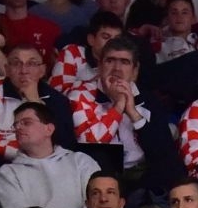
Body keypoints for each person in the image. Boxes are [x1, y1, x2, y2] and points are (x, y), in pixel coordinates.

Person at [0, 42, 80, 208]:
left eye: (32, 63)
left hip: (42, 168)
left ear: (42, 70)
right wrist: (27, 153)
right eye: (16, 63)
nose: (24, 70)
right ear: (7, 68)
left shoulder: (57, 100)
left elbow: (64, 146)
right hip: (2, 163)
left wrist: (35, 102)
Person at [69, 34, 183, 199]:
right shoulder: (80, 94)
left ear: (135, 71)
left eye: (124, 62)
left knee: (172, 164)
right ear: (99, 66)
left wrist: (133, 114)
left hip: (141, 173)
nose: (116, 68)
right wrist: (119, 104)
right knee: (99, 156)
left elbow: (163, 150)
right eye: (110, 61)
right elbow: (91, 142)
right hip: (101, 174)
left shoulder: (148, 98)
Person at [0, 102, 97, 208]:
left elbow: (96, 200)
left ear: (49, 129)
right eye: (16, 124)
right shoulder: (8, 173)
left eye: (26, 122)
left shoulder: (80, 161)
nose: (18, 128)